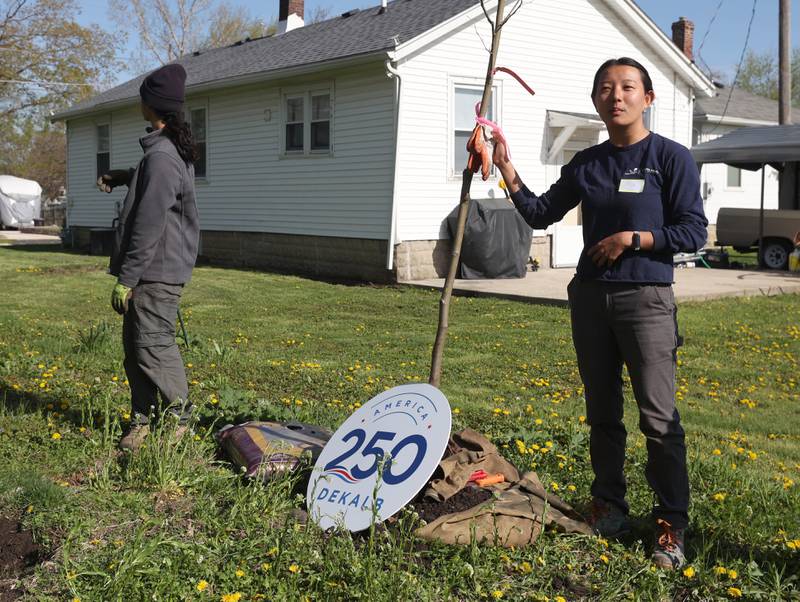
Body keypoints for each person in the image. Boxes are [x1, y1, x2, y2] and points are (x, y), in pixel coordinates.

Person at [491, 57, 708, 570]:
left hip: (646, 301)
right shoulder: (587, 163)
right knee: (603, 414)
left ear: (647, 98)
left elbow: (694, 232)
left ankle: (671, 522)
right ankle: (609, 506)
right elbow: (542, 212)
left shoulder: (670, 158)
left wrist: (635, 238)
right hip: (590, 299)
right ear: (595, 101)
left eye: (628, 87)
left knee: (658, 418)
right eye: (606, 89)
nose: (617, 96)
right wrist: (506, 168)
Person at [97, 63, 200, 452]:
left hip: (156, 272)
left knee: (154, 345)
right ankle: (142, 419)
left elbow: (149, 224)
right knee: (135, 348)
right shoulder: (164, 151)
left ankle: (179, 421)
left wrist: (127, 276)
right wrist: (125, 175)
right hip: (152, 270)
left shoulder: (162, 158)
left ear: (151, 105)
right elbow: (159, 188)